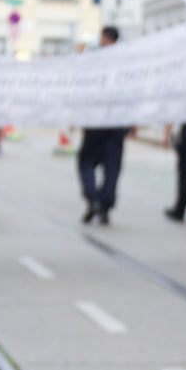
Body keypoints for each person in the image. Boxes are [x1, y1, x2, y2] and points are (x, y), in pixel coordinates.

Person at [78, 25, 129, 225]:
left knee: (87, 162)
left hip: (96, 121)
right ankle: (105, 205)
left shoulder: (95, 60)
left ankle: (92, 198)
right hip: (117, 122)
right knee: (112, 165)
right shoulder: (126, 61)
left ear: (105, 38)